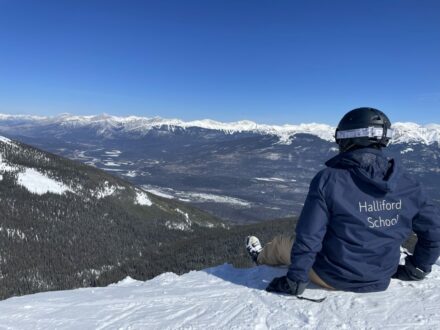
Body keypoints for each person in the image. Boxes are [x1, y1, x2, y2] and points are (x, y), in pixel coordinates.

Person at [246, 107, 440, 296]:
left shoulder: (329, 179)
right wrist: (418, 268)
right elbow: (433, 230)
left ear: (348, 139)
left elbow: (309, 236)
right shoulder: (408, 183)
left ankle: (260, 256)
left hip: (331, 276)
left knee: (283, 243)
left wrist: (296, 280)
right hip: (382, 275)